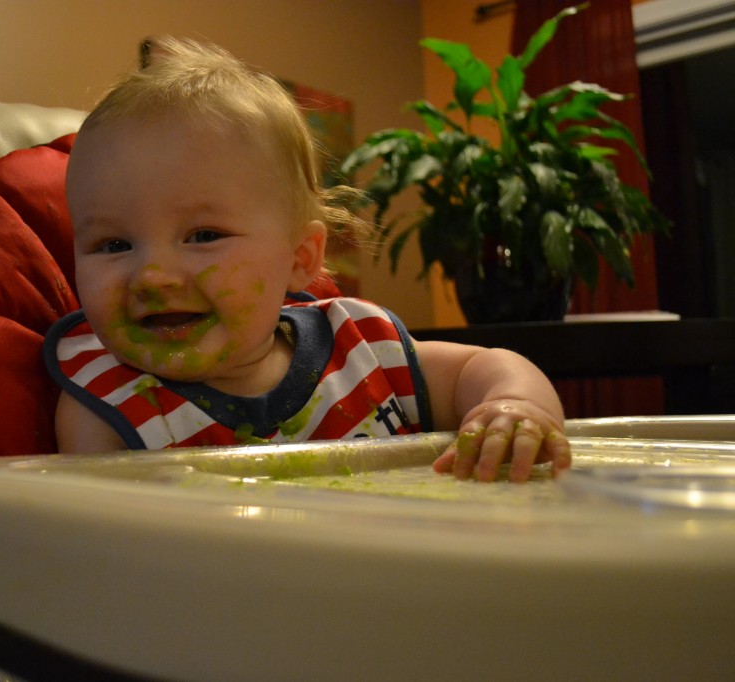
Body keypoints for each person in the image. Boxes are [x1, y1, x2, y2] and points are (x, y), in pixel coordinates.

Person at [44, 37, 571, 483]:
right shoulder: (109, 408)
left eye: (203, 235)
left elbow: (488, 365)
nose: (153, 276)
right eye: (113, 245)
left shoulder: (364, 352)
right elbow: (110, 548)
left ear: (300, 259)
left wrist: (515, 408)